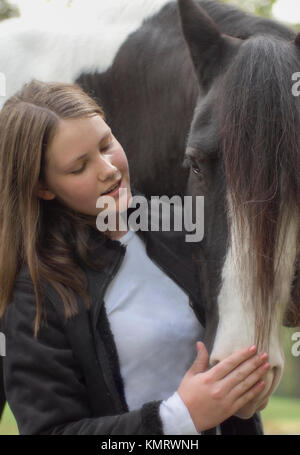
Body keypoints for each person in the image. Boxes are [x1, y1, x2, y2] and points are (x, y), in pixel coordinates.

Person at [0, 79, 269, 435]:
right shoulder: (33, 295)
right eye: (79, 167)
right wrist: (179, 418)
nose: (108, 169)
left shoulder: (182, 225)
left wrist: (251, 383)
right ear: (43, 187)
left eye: (106, 144)